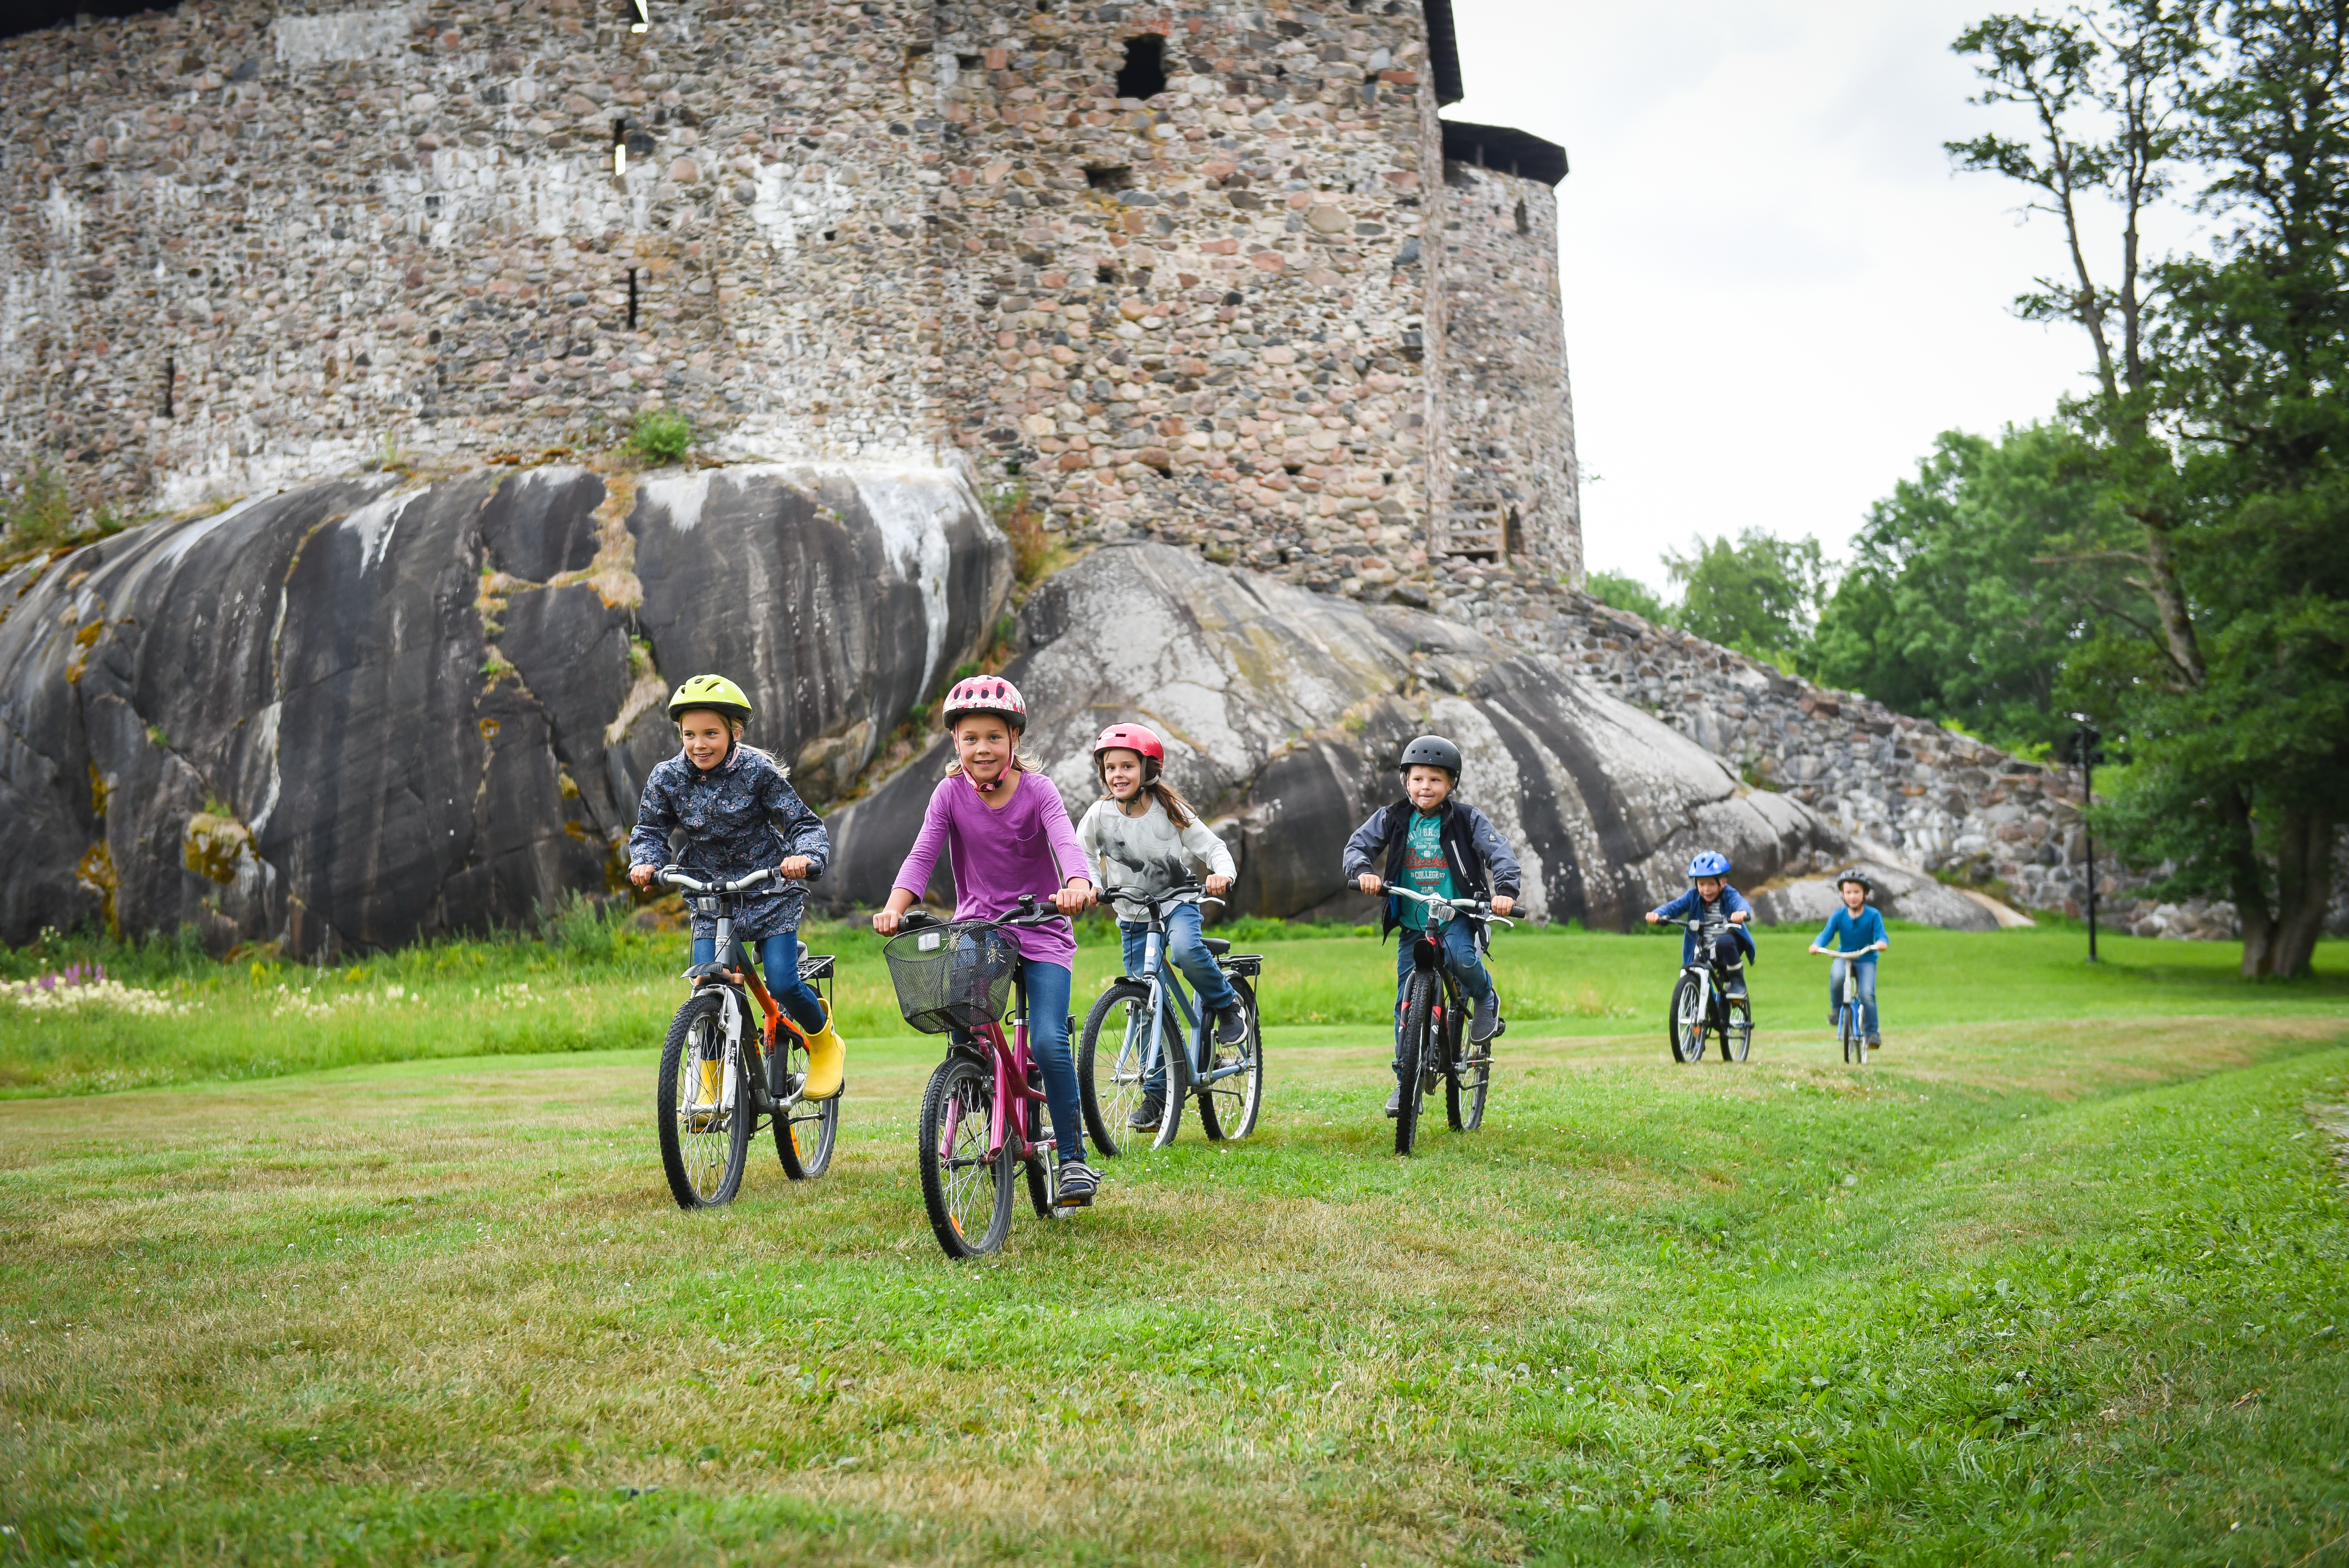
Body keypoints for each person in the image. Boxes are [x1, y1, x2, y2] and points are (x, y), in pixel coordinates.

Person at [870, 676, 1104, 1206]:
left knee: (1047, 1041)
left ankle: (1072, 1161)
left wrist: (1076, 885)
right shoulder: (949, 794)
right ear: (956, 742)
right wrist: (894, 907)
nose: (983, 748)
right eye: (971, 738)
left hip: (1043, 930)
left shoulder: (1040, 791)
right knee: (963, 1023)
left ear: (1014, 741)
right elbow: (922, 855)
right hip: (980, 931)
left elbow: (1066, 842)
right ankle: (973, 1081)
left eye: (994, 737)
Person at [627, 674, 846, 1100]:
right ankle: (710, 1082)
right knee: (708, 985)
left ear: (735, 732)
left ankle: (823, 1039)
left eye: (711, 733)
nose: (699, 744)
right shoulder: (667, 777)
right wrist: (646, 861)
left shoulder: (756, 772)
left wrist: (804, 857)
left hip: (768, 889)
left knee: (781, 981)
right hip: (710, 895)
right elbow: (650, 828)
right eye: (689, 734)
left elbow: (803, 822)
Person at [1340, 734, 1520, 1117]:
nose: (1426, 787)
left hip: (1456, 916)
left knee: (1461, 957)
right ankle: (1406, 1079)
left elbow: (1499, 852)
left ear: (1451, 784)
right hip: (1412, 922)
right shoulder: (1392, 817)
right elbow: (1358, 846)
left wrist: (1504, 889)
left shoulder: (1467, 818)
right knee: (1406, 1000)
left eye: (1436, 780)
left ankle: (1484, 997)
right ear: (1405, 780)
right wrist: (1362, 871)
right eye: (1418, 779)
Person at [1076, 722, 1244, 1133]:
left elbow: (1213, 847)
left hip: (1176, 903)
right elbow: (1080, 857)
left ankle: (1225, 1004)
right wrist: (1091, 888)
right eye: (1110, 767)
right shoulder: (1098, 815)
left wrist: (1222, 873)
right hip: (1133, 916)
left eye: (1127, 766)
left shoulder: (1169, 810)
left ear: (1147, 769)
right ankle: (1156, 1096)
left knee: (1187, 951)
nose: (1117, 774)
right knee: (1144, 1003)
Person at [1644, 852, 1754, 999]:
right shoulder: (1693, 896)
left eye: (1711, 884)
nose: (1706, 890)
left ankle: (1737, 982)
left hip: (1727, 948)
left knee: (1725, 942)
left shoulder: (1729, 895)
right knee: (1691, 972)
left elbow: (1740, 903)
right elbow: (1675, 907)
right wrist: (1657, 914)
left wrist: (1741, 912)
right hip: (1704, 948)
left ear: (1723, 883)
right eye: (1701, 884)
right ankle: (1694, 1013)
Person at [1809, 868, 1889, 1047]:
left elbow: (1882, 936)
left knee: (1867, 994)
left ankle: (1872, 1033)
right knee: (1837, 978)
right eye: (1848, 892)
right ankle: (1837, 1009)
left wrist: (1882, 943)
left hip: (1866, 958)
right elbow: (1826, 934)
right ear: (1843, 895)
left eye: (1857, 892)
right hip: (1844, 957)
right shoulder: (1838, 915)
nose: (1853, 896)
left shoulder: (1873, 915)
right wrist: (1817, 945)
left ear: (1865, 894)